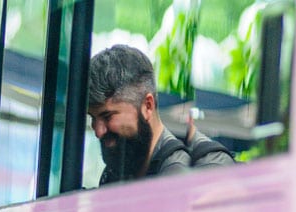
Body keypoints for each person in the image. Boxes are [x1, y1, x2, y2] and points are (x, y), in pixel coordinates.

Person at [87, 44, 233, 185]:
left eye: (108, 116)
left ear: (147, 106)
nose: (98, 132)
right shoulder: (120, 170)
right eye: (93, 118)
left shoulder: (204, 169)